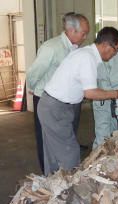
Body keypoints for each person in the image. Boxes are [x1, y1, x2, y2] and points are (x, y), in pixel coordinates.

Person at [37, 27, 118, 176]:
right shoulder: (87, 58)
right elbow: (90, 93)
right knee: (70, 154)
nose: (115, 54)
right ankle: (69, 190)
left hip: (52, 105)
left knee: (53, 152)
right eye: (116, 49)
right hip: (56, 108)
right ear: (106, 45)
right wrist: (117, 94)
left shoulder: (86, 54)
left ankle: (52, 187)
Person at [26, 13, 89, 173]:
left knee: (67, 136)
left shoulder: (76, 49)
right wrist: (33, 88)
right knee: (46, 140)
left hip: (69, 102)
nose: (86, 37)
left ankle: (63, 172)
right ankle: (48, 175)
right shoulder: (51, 47)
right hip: (47, 99)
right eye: (83, 33)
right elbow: (34, 72)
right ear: (71, 30)